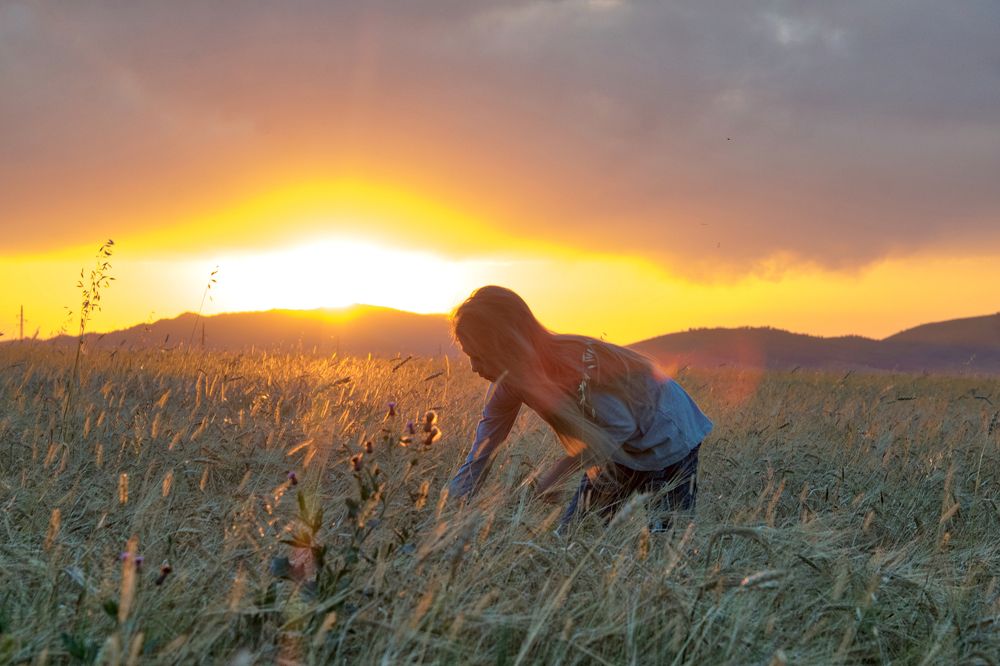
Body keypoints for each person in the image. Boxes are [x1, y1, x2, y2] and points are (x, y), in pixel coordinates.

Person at [447, 286, 712, 532]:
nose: (473, 367)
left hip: (669, 434)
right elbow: (482, 452)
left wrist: (558, 473)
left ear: (506, 347)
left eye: (479, 356)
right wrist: (446, 518)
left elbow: (621, 426)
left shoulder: (574, 364)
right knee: (571, 538)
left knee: (666, 547)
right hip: (617, 448)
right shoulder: (507, 386)